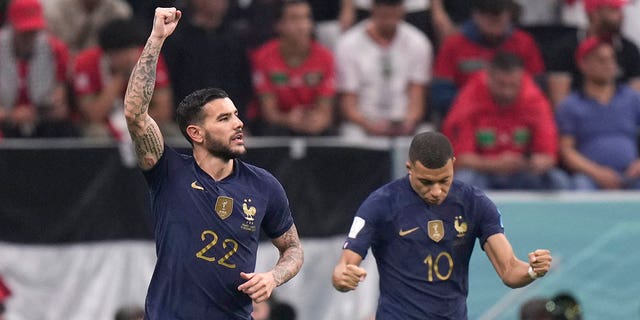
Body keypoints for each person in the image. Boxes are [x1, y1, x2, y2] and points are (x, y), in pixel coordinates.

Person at [123, 7, 303, 319]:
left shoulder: (264, 185)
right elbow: (135, 115)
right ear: (196, 133)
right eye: (224, 118)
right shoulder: (168, 172)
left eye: (236, 114)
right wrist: (156, 39)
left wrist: (273, 277)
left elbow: (293, 249)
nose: (238, 123)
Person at [332, 131, 553, 319]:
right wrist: (342, 278)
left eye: (444, 180)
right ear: (409, 168)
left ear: (453, 165)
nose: (436, 191)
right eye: (426, 182)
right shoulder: (381, 204)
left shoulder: (474, 203)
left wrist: (533, 270)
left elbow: (510, 270)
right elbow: (344, 266)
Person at [442, 52, 570, 190]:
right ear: (488, 77)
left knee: (558, 181)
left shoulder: (535, 101)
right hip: (482, 172)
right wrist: (495, 163)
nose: (507, 92)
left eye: (513, 85)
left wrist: (538, 162)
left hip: (522, 172)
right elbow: (459, 159)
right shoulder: (467, 102)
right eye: (501, 85)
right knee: (463, 180)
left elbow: (549, 155)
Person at [431, 0, 544, 118]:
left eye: (499, 20)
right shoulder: (454, 45)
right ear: (476, 15)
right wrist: (480, 103)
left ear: (509, 15)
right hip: (468, 116)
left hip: (516, 117)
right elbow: (441, 91)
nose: (494, 26)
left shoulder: (524, 43)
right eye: (489, 20)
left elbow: (537, 87)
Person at [336, 0, 432, 138]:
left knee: (426, 136)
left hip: (403, 121)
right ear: (373, 9)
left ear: (402, 9)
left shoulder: (418, 42)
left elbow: (417, 97)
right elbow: (348, 103)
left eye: (394, 7)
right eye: (384, 8)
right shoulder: (348, 44)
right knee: (351, 136)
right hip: (363, 123)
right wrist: (369, 124)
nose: (389, 13)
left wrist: (408, 122)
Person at [556, 37, 640, 190]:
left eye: (611, 59)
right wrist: (597, 173)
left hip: (632, 175)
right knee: (580, 186)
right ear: (583, 64)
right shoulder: (571, 105)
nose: (609, 65)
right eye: (601, 60)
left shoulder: (633, 99)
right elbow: (566, 150)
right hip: (590, 176)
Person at [73, 18, 174, 139]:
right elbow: (93, 115)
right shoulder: (86, 63)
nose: (130, 58)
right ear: (108, 54)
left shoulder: (150, 58)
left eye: (133, 50)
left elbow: (164, 111)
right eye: (123, 54)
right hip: (104, 124)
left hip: (142, 121)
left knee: (170, 131)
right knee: (97, 134)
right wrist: (119, 78)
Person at [249, 0, 336, 136]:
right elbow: (269, 112)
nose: (301, 25)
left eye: (306, 18)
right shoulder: (263, 57)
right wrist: (288, 119)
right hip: (278, 126)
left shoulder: (326, 57)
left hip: (313, 125)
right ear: (279, 25)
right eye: (294, 19)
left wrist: (318, 121)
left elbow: (325, 111)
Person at [162, 0, 253, 119]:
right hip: (187, 119)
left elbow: (244, 83)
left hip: (230, 118)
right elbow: (171, 83)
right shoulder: (177, 38)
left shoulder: (235, 38)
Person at [0, 0, 76, 138]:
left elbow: (61, 107)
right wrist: (11, 115)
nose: (29, 36)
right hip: (4, 122)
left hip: (43, 120)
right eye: (24, 31)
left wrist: (42, 111)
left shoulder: (56, 50)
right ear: (11, 26)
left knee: (66, 131)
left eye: (33, 30)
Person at [546, 0, 640, 107]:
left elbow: (635, 104)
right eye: (614, 10)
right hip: (579, 118)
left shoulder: (630, 49)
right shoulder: (565, 49)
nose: (621, 16)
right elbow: (560, 105)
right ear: (594, 13)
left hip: (620, 118)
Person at [42, 0, 132, 53]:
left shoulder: (118, 11)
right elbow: (56, 51)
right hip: (68, 69)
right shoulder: (56, 11)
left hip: (105, 68)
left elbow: (124, 49)